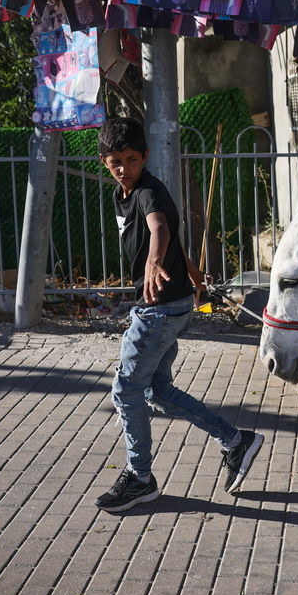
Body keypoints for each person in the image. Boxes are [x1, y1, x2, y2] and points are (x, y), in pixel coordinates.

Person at [94, 117, 263, 512]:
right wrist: (190, 270)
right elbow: (172, 236)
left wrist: (155, 262)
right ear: (105, 162)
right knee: (156, 390)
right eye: (116, 161)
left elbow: (160, 228)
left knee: (126, 391)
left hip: (158, 310)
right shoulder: (125, 192)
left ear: (145, 157)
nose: (124, 167)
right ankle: (237, 441)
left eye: (132, 159)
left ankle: (139, 478)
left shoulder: (149, 191)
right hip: (171, 304)